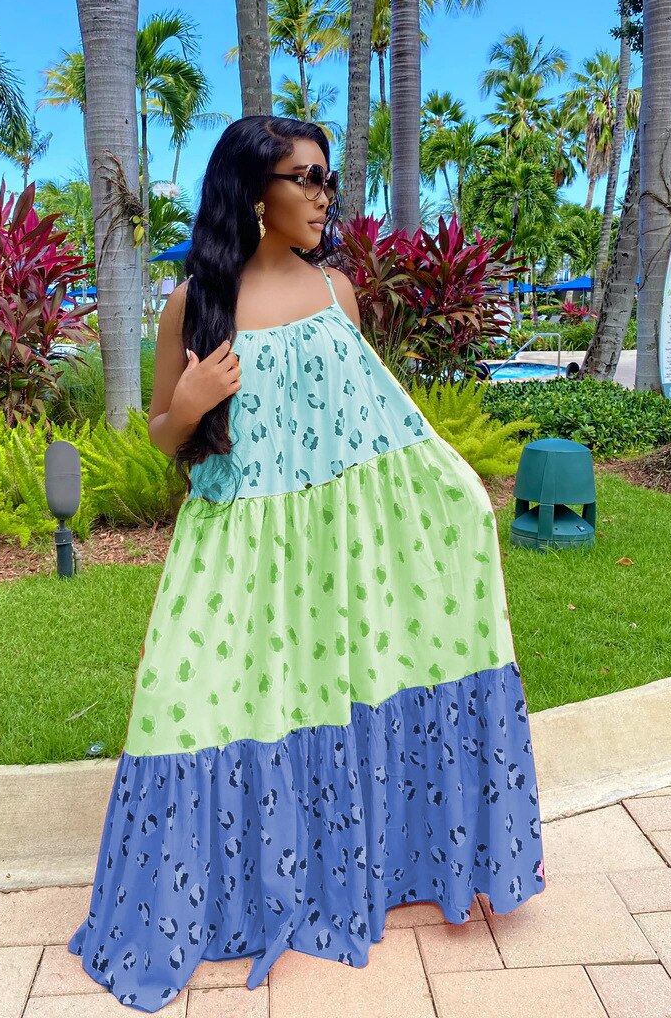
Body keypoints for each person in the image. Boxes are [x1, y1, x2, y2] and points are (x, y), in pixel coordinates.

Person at [67, 115, 547, 1011]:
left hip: (334, 547)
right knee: (188, 701)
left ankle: (362, 867)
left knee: (334, 691)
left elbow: (377, 425)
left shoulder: (337, 294)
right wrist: (191, 400)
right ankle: (201, 900)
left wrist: (456, 500)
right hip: (233, 543)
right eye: (307, 178)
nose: (326, 195)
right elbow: (164, 435)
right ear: (256, 192)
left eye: (327, 178)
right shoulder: (194, 304)